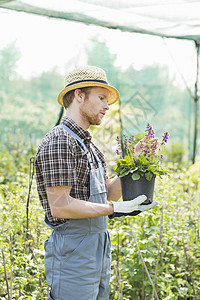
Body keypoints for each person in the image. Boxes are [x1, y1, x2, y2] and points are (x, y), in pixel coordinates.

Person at [34, 66, 158, 300]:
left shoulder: (89, 146)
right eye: (101, 98)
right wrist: (114, 210)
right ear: (79, 96)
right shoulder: (59, 141)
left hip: (97, 250)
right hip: (73, 255)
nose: (107, 106)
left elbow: (109, 194)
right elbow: (60, 205)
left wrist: (137, 161)